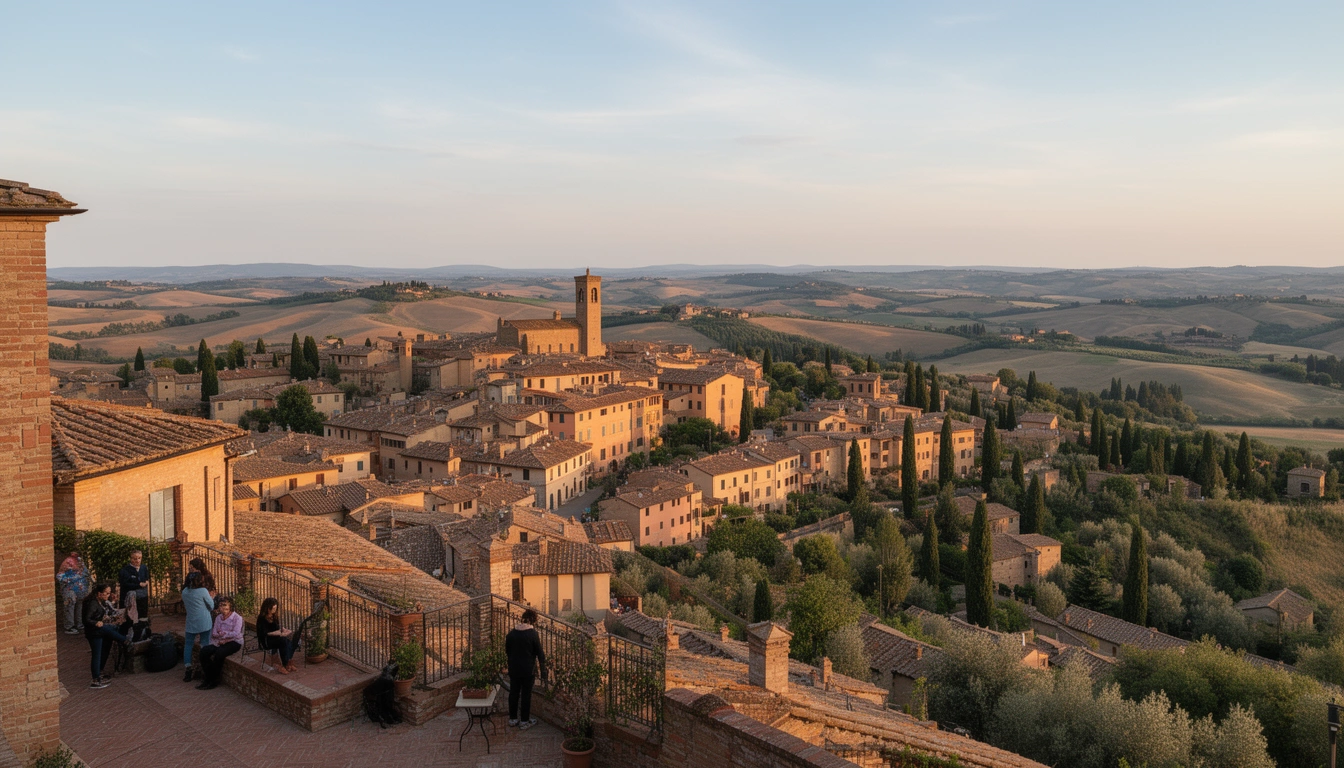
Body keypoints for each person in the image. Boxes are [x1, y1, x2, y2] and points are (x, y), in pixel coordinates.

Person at [504, 608, 546, 729]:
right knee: (526, 695)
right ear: (533, 621)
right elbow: (540, 653)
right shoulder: (533, 634)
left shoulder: (511, 634)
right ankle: (524, 720)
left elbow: (507, 651)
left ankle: (512, 719)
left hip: (514, 668)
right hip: (528, 670)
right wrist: (543, 670)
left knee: (514, 693)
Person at [82, 583, 129, 688]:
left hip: (99, 630)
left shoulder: (101, 601)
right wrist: (95, 623)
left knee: (106, 646)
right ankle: (95, 679)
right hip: (94, 631)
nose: (108, 595)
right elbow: (86, 619)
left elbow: (109, 610)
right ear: (99, 593)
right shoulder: (92, 603)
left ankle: (100, 672)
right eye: (107, 593)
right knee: (97, 653)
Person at [197, 596, 243, 690]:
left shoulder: (237, 618)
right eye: (221, 606)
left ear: (230, 606)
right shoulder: (218, 618)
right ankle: (208, 677)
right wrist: (221, 636)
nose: (223, 608)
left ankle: (214, 680)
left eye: (225, 606)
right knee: (204, 651)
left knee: (219, 654)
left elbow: (236, 633)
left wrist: (223, 634)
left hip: (234, 641)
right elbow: (214, 632)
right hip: (218, 641)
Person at [180, 571, 215, 682]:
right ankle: (204, 667)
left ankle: (188, 668)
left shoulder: (184, 592)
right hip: (204, 621)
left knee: (188, 645)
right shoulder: (203, 591)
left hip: (191, 621)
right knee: (204, 644)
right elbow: (211, 606)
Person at [256, 597, 298, 675]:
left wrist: (283, 630)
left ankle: (288, 660)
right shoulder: (261, 618)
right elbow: (266, 633)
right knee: (283, 641)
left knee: (290, 640)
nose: (274, 610)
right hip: (266, 640)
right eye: (273, 608)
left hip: (275, 638)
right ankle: (285, 664)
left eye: (275, 608)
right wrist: (279, 633)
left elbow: (277, 628)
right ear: (268, 608)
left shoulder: (274, 616)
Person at [57, 551, 90, 635]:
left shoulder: (80, 561)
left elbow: (85, 573)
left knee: (79, 604)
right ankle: (69, 626)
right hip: (69, 589)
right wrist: (71, 580)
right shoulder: (67, 562)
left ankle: (79, 624)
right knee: (70, 604)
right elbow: (60, 576)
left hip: (80, 588)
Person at [117, 550, 150, 620]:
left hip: (142, 597)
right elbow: (124, 584)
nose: (138, 561)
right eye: (135, 559)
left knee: (143, 617)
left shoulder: (144, 568)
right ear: (131, 559)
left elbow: (146, 578)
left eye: (139, 558)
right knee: (130, 619)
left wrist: (146, 582)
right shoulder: (125, 570)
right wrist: (139, 584)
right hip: (130, 599)